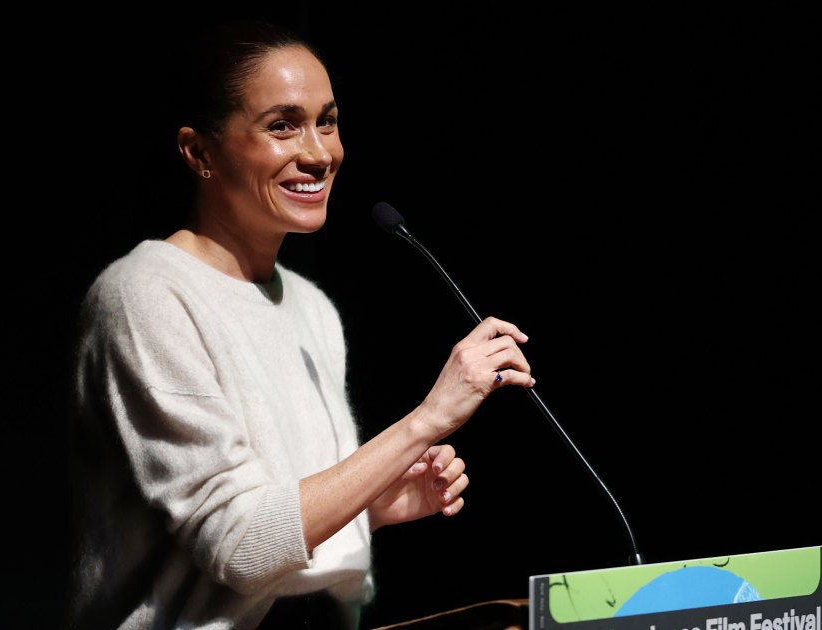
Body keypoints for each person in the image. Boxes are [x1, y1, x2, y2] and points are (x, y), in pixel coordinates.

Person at [69, 20, 536, 629]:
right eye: (282, 125)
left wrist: (369, 506)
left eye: (328, 121)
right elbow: (240, 548)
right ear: (199, 153)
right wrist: (426, 421)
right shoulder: (146, 295)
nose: (319, 153)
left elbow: (284, 533)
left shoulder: (313, 308)